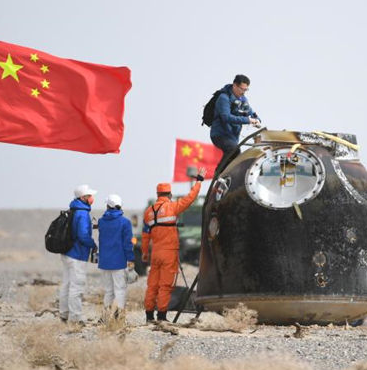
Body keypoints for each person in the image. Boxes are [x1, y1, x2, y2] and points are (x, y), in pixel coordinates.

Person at [142, 168, 206, 322]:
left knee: (152, 285)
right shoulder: (172, 207)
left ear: (158, 195)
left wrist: (145, 253)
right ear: (169, 195)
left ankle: (149, 315)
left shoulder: (148, 212)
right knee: (166, 285)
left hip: (155, 253)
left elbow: (145, 236)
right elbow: (190, 198)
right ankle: (161, 316)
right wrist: (199, 181)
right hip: (169, 252)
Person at [59, 184, 98, 326]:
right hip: (77, 255)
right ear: (83, 197)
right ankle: (76, 318)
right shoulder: (82, 213)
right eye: (89, 196)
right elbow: (82, 235)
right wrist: (93, 244)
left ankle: (64, 314)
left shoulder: (73, 210)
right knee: (76, 286)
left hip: (67, 253)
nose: (92, 198)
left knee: (67, 284)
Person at [209, 74, 260, 175]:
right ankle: (218, 173)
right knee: (233, 150)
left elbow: (251, 113)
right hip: (220, 135)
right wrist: (247, 120)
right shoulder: (223, 98)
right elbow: (226, 117)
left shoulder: (243, 100)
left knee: (236, 158)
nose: (243, 92)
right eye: (242, 89)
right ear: (235, 86)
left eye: (246, 90)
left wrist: (257, 120)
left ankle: (227, 177)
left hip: (233, 138)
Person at [97, 194, 135, 319]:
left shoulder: (101, 222)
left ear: (107, 205)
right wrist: (131, 260)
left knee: (108, 291)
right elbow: (127, 244)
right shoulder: (125, 222)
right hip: (119, 262)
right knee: (120, 290)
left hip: (104, 261)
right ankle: (118, 317)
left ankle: (106, 316)